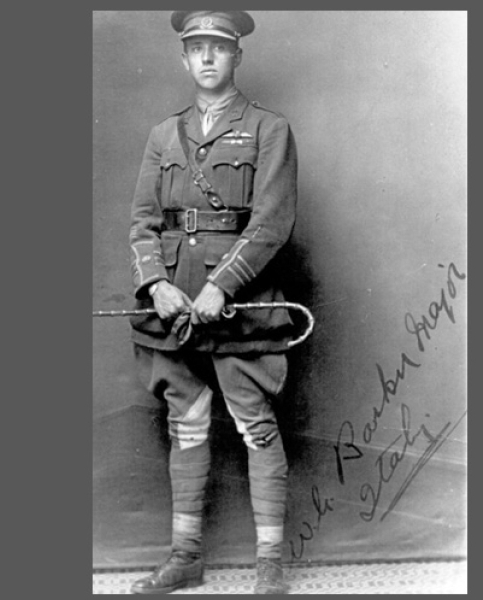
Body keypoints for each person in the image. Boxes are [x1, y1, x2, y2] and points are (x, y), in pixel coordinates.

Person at [126, 11, 298, 595]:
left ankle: (270, 565)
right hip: (173, 303)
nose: (206, 57)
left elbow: (271, 222)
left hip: (240, 301)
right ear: (183, 57)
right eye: (196, 47)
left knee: (256, 424)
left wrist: (222, 285)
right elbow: (143, 224)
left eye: (218, 48)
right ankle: (186, 558)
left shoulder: (269, 128)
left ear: (236, 56)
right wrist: (157, 286)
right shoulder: (163, 135)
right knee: (187, 422)